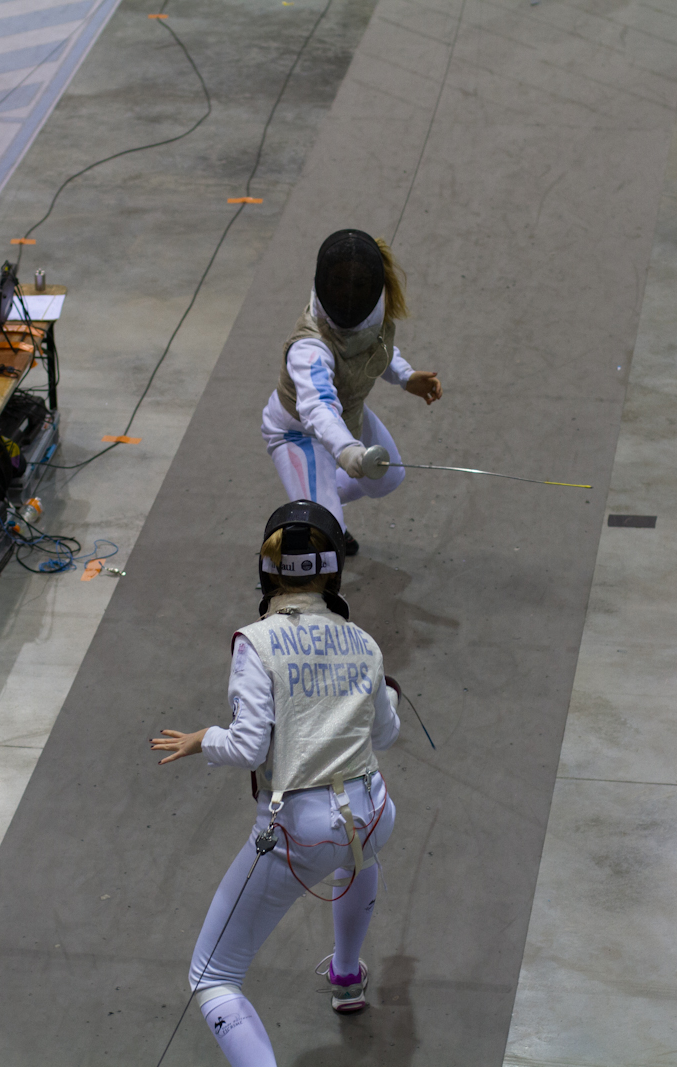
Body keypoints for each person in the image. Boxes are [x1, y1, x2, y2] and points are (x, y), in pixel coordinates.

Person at [151, 501, 401, 1067]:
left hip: (301, 832)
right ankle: (346, 976)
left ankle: (340, 977)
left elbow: (247, 747)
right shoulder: (364, 642)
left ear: (267, 572)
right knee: (358, 854)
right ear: (333, 571)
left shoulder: (256, 642)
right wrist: (385, 693)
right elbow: (386, 735)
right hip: (373, 811)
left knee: (212, 975)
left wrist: (203, 738)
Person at [261, 229, 443, 556]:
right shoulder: (309, 348)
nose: (348, 296)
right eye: (341, 285)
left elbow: (375, 348)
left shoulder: (374, 310)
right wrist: (348, 451)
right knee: (324, 540)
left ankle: (317, 503)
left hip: (349, 412)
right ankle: (321, 517)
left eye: (357, 286)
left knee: (386, 477)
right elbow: (318, 408)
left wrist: (405, 376)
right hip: (298, 432)